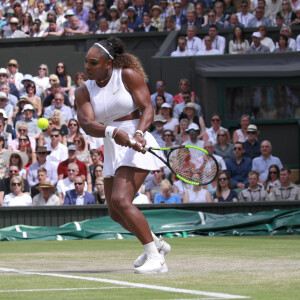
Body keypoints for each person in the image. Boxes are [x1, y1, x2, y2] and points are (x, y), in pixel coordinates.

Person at [75, 36, 170, 274]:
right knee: (115, 212)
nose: (87, 67)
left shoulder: (127, 75)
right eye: (86, 62)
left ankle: (155, 258)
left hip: (138, 140)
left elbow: (148, 108)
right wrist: (112, 131)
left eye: (93, 62)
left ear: (108, 63)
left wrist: (138, 133)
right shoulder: (83, 91)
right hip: (113, 144)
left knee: (120, 199)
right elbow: (86, 123)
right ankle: (157, 243)